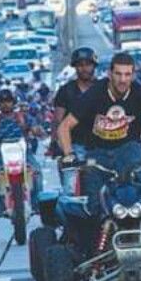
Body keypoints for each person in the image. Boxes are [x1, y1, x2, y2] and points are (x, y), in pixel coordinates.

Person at [56, 52, 141, 235]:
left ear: (132, 75)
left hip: (130, 150)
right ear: (109, 74)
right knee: (92, 206)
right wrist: (69, 155)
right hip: (97, 153)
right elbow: (64, 127)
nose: (123, 80)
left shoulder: (138, 92)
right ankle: (95, 252)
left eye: (127, 74)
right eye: (118, 74)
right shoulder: (96, 92)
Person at [0, 89, 42, 218]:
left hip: (23, 152)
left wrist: (37, 130)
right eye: (2, 102)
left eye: (8, 101)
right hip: (0, 154)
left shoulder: (23, 116)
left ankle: (36, 204)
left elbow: (35, 127)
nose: (6, 104)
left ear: (13, 102)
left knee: (37, 172)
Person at [51, 47, 98, 189]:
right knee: (69, 188)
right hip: (73, 145)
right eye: (80, 65)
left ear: (94, 66)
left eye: (88, 65)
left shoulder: (104, 88)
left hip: (101, 145)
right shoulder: (66, 91)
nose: (84, 69)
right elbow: (58, 119)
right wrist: (56, 143)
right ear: (75, 68)